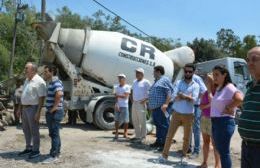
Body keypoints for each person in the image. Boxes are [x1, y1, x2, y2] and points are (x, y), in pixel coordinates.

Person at [158, 63, 200, 163]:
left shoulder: (196, 85)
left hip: (189, 114)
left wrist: (182, 95)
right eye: (186, 71)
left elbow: (194, 100)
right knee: (169, 135)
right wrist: (187, 97)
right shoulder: (178, 82)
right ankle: (164, 156)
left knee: (187, 137)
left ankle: (183, 156)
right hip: (176, 113)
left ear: (193, 72)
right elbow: (173, 97)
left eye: (190, 71)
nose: (188, 73)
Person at [211, 65, 243, 168]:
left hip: (224, 122)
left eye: (217, 74)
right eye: (213, 74)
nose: (214, 77)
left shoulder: (229, 87)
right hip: (216, 122)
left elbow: (239, 99)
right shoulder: (219, 88)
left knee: (224, 152)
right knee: (220, 150)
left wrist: (229, 107)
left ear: (224, 75)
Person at [18, 62, 46, 159]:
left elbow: (41, 98)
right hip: (25, 108)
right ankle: (28, 147)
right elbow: (23, 95)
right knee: (26, 130)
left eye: (26, 68)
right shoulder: (27, 80)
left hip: (33, 108)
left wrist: (38, 112)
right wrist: (19, 108)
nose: (25, 70)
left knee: (34, 130)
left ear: (33, 70)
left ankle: (36, 150)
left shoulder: (39, 81)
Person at [238, 47, 260, 168]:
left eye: (255, 59)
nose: (250, 63)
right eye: (248, 60)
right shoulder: (250, 86)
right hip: (246, 146)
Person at [148, 65, 174, 151]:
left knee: (164, 125)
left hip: (162, 107)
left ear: (158, 72)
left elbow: (170, 92)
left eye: (154, 71)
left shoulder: (164, 79)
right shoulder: (157, 81)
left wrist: (166, 104)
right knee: (158, 125)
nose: (153, 73)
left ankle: (165, 144)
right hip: (156, 108)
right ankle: (159, 141)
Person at [42, 65, 64, 164]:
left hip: (55, 112)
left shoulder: (56, 82)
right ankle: (57, 152)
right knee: (55, 133)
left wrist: (53, 108)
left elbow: (59, 94)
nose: (44, 73)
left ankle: (53, 155)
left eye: (46, 72)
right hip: (53, 112)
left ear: (51, 72)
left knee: (54, 134)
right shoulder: (52, 82)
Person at [198, 74, 221, 168]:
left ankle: (217, 165)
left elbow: (216, 105)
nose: (206, 82)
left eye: (208, 80)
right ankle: (204, 163)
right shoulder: (205, 93)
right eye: (206, 80)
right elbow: (200, 106)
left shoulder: (217, 92)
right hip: (204, 118)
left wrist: (208, 105)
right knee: (205, 142)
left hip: (213, 119)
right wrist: (208, 105)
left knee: (215, 143)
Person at [189, 72, 207, 158]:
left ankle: (196, 150)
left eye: (189, 71)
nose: (187, 72)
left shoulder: (196, 78)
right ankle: (188, 147)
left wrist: (195, 98)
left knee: (196, 128)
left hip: (196, 106)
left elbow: (204, 91)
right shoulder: (184, 79)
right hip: (188, 106)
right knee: (188, 127)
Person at [131, 68, 151, 143]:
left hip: (141, 103)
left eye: (138, 73)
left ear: (142, 74)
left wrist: (145, 99)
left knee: (142, 120)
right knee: (135, 120)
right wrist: (132, 99)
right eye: (136, 73)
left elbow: (151, 92)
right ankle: (137, 136)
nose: (137, 74)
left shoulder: (146, 82)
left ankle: (143, 137)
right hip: (135, 103)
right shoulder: (134, 81)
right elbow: (132, 90)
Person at [114, 74, 131, 140]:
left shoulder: (127, 87)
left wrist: (118, 95)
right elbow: (115, 97)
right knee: (116, 119)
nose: (119, 79)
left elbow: (126, 96)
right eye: (119, 78)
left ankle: (125, 133)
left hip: (124, 106)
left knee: (126, 120)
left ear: (124, 79)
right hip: (118, 105)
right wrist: (116, 103)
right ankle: (116, 133)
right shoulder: (117, 87)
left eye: (121, 78)